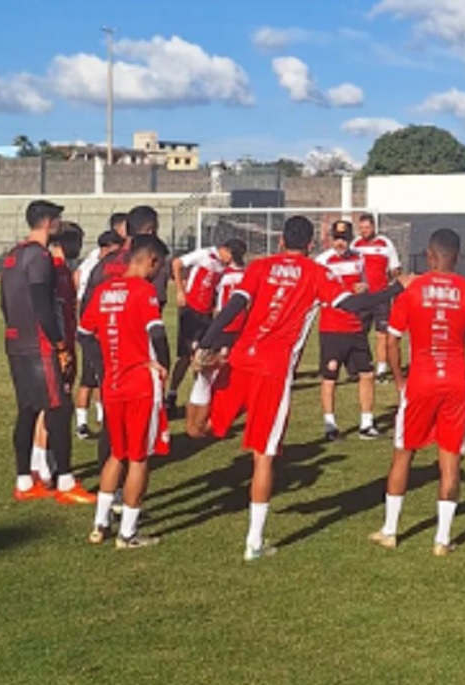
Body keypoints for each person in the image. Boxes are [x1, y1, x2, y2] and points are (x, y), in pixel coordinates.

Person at [198, 216, 405, 561]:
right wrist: (392, 291)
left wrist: (207, 342)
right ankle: (254, 542)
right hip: (273, 371)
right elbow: (351, 305)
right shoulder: (316, 273)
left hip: (240, 360)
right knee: (264, 455)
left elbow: (236, 304)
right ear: (311, 244)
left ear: (280, 240)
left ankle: (198, 388)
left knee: (199, 427)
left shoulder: (260, 267)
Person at [369, 229, 465, 557]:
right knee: (450, 459)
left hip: (420, 382)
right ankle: (442, 539)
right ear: (458, 257)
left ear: (429, 255)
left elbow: (393, 340)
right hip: (455, 383)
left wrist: (399, 380)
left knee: (403, 453)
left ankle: (390, 530)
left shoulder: (413, 291)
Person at [78, 235, 172, 548]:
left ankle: (99, 524)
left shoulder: (103, 291)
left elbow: (84, 332)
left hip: (112, 384)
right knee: (138, 458)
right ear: (152, 261)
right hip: (139, 386)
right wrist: (162, 365)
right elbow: (156, 332)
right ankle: (128, 533)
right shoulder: (143, 291)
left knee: (116, 454)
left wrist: (103, 367)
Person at [1, 201, 83, 503]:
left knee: (27, 410)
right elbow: (42, 305)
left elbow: (5, 303)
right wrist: (59, 343)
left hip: (16, 341)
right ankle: (64, 481)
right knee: (59, 410)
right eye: (57, 219)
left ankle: (24, 481)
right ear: (49, 222)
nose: (59, 223)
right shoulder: (40, 257)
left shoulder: (14, 255)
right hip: (39, 345)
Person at [315, 220, 379, 441]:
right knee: (330, 376)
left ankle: (367, 423)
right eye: (336, 238)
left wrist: (364, 288)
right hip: (332, 328)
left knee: (367, 374)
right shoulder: (322, 261)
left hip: (355, 326)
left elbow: (364, 284)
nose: (340, 243)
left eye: (343, 238)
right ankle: (330, 425)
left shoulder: (359, 258)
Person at [166, 238, 246, 412]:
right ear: (224, 249)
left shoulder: (225, 268)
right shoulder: (205, 254)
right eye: (230, 255)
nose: (228, 260)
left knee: (204, 354)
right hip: (190, 309)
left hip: (207, 314)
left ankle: (200, 397)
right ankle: (172, 393)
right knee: (186, 356)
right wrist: (180, 290)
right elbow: (177, 263)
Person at [185, 252, 247, 439]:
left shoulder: (223, 274)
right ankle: (202, 425)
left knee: (204, 376)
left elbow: (215, 300)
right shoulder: (246, 275)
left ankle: (193, 426)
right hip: (238, 327)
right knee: (216, 373)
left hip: (220, 325)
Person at [73, 227, 124, 439]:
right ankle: (83, 423)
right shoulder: (99, 267)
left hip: (91, 326)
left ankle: (101, 418)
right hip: (94, 329)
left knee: (96, 377)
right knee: (92, 377)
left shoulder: (94, 263)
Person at [351, 214, 401, 383]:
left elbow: (395, 268)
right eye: (362, 228)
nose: (364, 231)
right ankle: (363, 365)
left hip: (381, 296)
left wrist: (393, 278)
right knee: (359, 333)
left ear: (374, 227)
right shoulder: (355, 245)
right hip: (362, 297)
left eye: (367, 227)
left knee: (382, 334)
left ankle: (381, 370)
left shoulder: (385, 244)